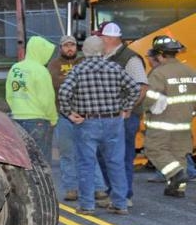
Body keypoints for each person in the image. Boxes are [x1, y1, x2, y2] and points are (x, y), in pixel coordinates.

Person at [57, 35, 142, 215]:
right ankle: (120, 203)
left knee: (86, 164)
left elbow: (63, 93)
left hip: (87, 122)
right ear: (103, 50)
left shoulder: (78, 70)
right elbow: (135, 88)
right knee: (116, 163)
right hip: (113, 121)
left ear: (84, 51)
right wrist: (125, 108)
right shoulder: (114, 68)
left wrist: (70, 113)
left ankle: (87, 205)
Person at [47, 35, 109, 203]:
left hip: (86, 115)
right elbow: (55, 84)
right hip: (64, 116)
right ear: (61, 48)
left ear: (77, 47)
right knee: (67, 154)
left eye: (72, 45)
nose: (69, 48)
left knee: (90, 153)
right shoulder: (54, 65)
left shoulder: (83, 62)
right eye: (66, 45)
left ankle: (99, 188)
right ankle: (71, 188)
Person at [100, 22, 148, 206]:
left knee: (123, 156)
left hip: (125, 117)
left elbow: (142, 87)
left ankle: (124, 194)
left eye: (102, 37)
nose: (100, 40)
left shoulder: (130, 59)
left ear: (109, 38)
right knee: (107, 155)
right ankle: (114, 191)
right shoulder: (108, 57)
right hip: (109, 116)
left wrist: (128, 109)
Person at [142, 35, 196, 197]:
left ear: (160, 55)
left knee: (154, 149)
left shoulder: (159, 73)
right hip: (185, 122)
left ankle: (176, 174)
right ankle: (177, 189)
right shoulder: (190, 71)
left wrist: (143, 108)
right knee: (179, 153)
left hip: (162, 123)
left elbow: (149, 98)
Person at [6, 36, 58, 163]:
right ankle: (41, 184)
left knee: (23, 160)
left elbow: (9, 94)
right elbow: (46, 100)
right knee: (41, 162)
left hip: (17, 120)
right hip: (38, 121)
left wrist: (17, 109)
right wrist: (53, 118)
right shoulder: (41, 71)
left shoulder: (15, 68)